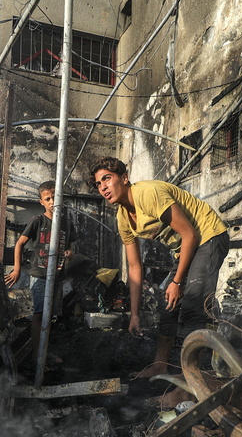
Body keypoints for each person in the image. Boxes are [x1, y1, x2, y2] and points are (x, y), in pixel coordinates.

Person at [89, 156, 230, 391]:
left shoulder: (148, 193)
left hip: (208, 236)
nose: (103, 187)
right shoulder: (123, 217)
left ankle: (192, 386)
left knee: (193, 308)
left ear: (124, 178)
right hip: (187, 247)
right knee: (168, 306)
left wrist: (177, 281)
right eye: (98, 184)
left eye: (107, 179)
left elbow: (190, 235)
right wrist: (134, 314)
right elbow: (134, 268)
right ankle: (160, 365)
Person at [5, 180, 76, 361]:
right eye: (48, 198)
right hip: (40, 274)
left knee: (50, 317)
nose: (52, 201)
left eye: (55, 197)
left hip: (58, 276)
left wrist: (69, 253)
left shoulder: (67, 224)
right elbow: (19, 244)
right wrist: (17, 270)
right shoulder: (38, 221)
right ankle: (37, 356)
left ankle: (43, 351)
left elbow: (71, 250)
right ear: (42, 202)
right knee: (39, 315)